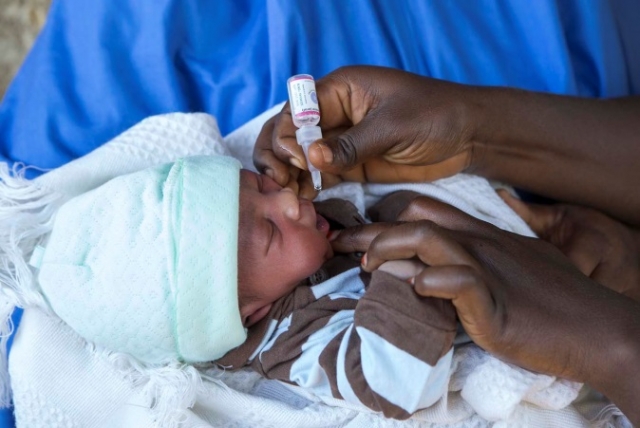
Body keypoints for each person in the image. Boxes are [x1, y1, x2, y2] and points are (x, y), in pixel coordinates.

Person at [253, 65, 640, 425]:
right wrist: (608, 340)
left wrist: (609, 340)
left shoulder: (326, 219)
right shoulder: (293, 341)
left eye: (262, 185)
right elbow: (388, 376)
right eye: (268, 230)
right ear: (252, 313)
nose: (287, 200)